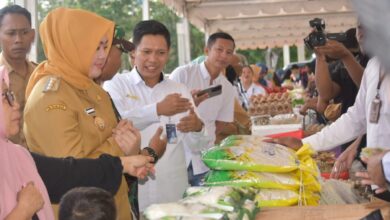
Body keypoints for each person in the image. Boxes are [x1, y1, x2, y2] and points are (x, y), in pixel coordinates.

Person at [23, 8, 164, 219]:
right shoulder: (50, 97)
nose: (102, 55)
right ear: (71, 46)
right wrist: (119, 144)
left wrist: (129, 148)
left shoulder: (88, 86)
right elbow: (73, 174)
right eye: (95, 47)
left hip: (112, 205)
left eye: (105, 46)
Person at [0, 66, 155, 220]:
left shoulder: (16, 155)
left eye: (11, 95)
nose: (16, 105)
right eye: (4, 97)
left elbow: (68, 173)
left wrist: (123, 164)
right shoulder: (50, 93)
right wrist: (23, 210)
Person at [104, 20, 207, 211]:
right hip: (133, 192)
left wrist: (197, 128)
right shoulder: (116, 85)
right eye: (146, 52)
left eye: (160, 53)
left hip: (172, 192)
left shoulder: (180, 90)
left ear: (168, 54)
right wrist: (157, 109)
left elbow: (199, 146)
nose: (153, 59)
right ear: (133, 52)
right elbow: (117, 123)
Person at [169, 32, 236, 186]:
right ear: (207, 50)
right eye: (219, 50)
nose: (223, 56)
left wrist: (205, 138)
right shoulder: (183, 74)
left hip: (204, 160)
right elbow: (164, 115)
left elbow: (221, 124)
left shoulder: (226, 87)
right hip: (178, 157)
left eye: (229, 52)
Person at [0, 5, 36, 146]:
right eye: (11, 33)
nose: (18, 39)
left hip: (45, 161)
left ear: (32, 35)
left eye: (24, 32)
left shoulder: (42, 75)